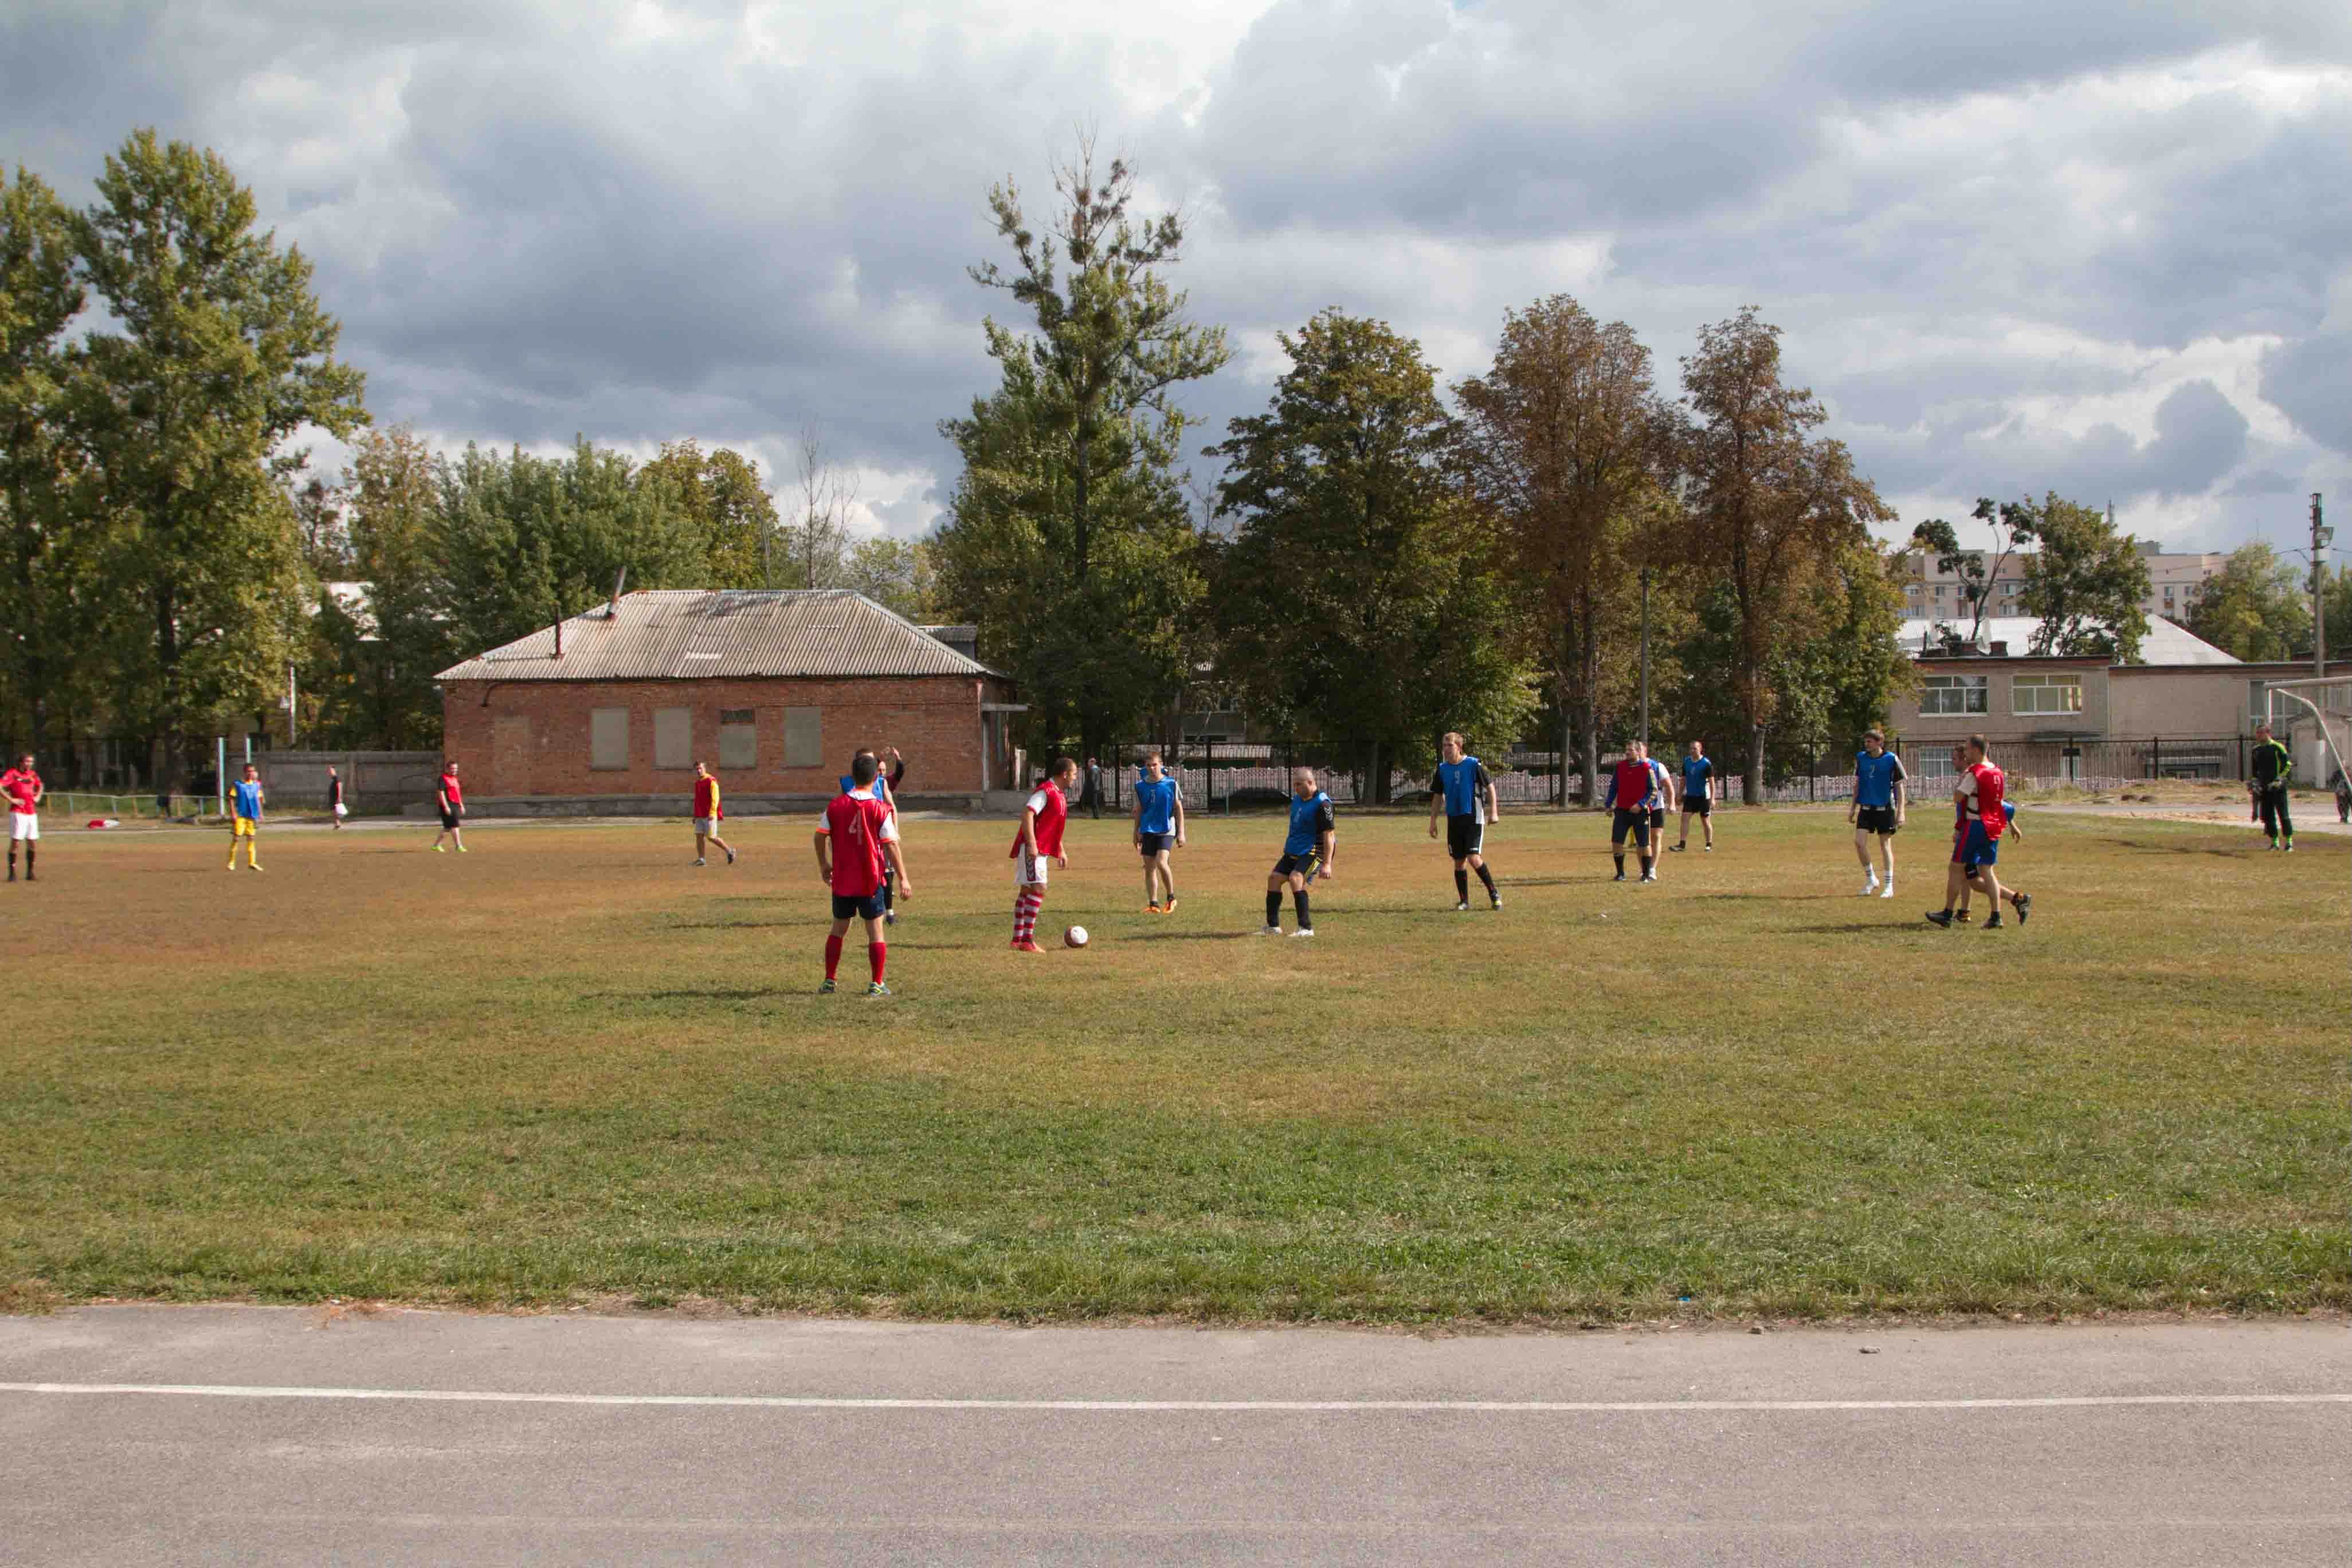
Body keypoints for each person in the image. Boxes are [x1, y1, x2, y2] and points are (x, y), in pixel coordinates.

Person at [814, 750, 911, 996]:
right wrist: (903, 878)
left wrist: (824, 865)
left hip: (843, 880)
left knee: (838, 929)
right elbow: (890, 844)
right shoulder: (879, 809)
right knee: (875, 931)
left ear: (852, 777)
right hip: (870, 880)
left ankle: (829, 980)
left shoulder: (835, 806)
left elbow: (819, 835)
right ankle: (876, 983)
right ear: (875, 780)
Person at [1927, 734, 2030, 929]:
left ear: (1975, 750)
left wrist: (1960, 786)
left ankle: (1948, 913)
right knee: (1985, 870)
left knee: (1956, 868)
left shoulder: (1975, 772)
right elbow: (2001, 803)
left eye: (1967, 749)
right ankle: (1996, 915)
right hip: (1993, 826)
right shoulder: (1997, 772)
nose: (1965, 753)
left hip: (1975, 824)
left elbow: (1958, 797)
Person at [1426, 732, 1502, 911]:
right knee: (1459, 862)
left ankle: (1494, 894)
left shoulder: (1473, 765)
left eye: (1449, 745)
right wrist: (1433, 821)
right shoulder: (1442, 769)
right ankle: (1464, 901)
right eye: (1444, 746)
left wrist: (1494, 813)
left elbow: (1490, 787)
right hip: (1454, 819)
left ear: (1459, 747)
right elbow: (1437, 796)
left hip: (1473, 817)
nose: (1446, 749)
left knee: (1474, 858)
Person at [1010, 756, 1077, 952]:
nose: (1074, 778)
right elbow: (1028, 813)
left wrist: (1061, 849)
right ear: (1065, 774)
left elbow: (1052, 826)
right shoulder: (1046, 791)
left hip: (1042, 849)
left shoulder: (1059, 794)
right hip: (1034, 850)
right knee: (1039, 890)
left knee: (1026, 891)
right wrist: (1031, 844)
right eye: (1073, 774)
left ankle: (1017, 938)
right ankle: (1027, 940)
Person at [1260, 766, 1336, 937]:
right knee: (1274, 879)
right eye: (1295, 785)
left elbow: (1329, 835)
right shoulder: (1297, 800)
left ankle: (1306, 928)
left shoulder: (1323, 804)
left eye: (1299, 785)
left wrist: (1327, 864)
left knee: (1296, 878)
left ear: (1310, 783)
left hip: (1314, 851)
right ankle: (1273, 927)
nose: (1296, 788)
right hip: (1294, 851)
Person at [1849, 729, 1906, 899]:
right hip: (1866, 808)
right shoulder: (1861, 758)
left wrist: (1901, 812)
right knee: (1859, 843)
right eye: (1865, 742)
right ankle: (1871, 878)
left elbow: (1899, 787)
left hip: (1885, 808)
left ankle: (1889, 886)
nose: (1867, 745)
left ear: (1879, 743)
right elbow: (1857, 785)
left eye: (1870, 742)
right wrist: (1852, 808)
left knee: (1885, 845)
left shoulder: (1891, 759)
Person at [1132, 750, 1185, 913]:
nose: (1152, 768)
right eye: (1148, 766)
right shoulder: (1141, 786)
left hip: (1167, 827)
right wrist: (1136, 832)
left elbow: (1178, 808)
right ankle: (1153, 904)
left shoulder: (1171, 784)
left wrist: (1181, 832)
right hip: (1148, 829)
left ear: (1161, 765)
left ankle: (1171, 898)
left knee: (1162, 863)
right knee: (1149, 867)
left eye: (1155, 765)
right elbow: (1139, 810)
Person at [1602, 742, 1659, 883]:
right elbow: (1614, 787)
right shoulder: (1620, 767)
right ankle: (1620, 874)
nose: (1627, 753)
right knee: (1616, 842)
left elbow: (1653, 791)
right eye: (1626, 750)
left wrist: (1640, 805)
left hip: (1640, 812)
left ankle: (1645, 875)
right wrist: (1608, 804)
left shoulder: (1647, 768)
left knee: (1644, 844)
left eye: (1631, 750)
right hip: (1621, 811)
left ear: (1639, 752)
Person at [2249, 721, 2294, 852]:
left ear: (2268, 733)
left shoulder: (2278, 747)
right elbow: (2255, 770)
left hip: (2278, 787)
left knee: (2283, 815)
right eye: (2257, 733)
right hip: (2264, 788)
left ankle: (2289, 842)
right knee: (2268, 816)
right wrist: (2255, 783)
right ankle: (2275, 842)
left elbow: (2288, 765)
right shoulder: (2256, 750)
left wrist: (2279, 779)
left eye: (2261, 733)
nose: (2258, 735)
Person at [3, 753, 41, 883]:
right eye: (27, 761)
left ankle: (30, 873)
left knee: (32, 842)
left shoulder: (32, 774)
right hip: (18, 812)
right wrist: (11, 799)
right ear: (21, 762)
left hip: (31, 812)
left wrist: (38, 796)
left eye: (31, 762)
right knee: (16, 842)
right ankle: (12, 873)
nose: (30, 764)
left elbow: (40, 785)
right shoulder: (12, 773)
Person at [1672, 740, 1715, 852]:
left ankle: (1708, 844)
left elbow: (1712, 782)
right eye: (1691, 748)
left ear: (1700, 749)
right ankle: (1682, 845)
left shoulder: (1706, 763)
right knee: (1684, 818)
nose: (1692, 751)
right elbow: (1684, 780)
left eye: (1695, 749)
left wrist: (1713, 798)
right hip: (1690, 796)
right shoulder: (1686, 762)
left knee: (1705, 820)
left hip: (1703, 796)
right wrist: (1679, 794)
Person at [692, 761, 736, 867]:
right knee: (699, 836)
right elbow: (697, 800)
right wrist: (695, 815)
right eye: (697, 769)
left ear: (704, 769)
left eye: (700, 768)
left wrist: (712, 812)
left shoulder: (711, 781)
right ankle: (701, 859)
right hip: (699, 815)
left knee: (712, 837)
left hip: (709, 815)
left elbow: (715, 798)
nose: (699, 771)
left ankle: (730, 851)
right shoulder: (698, 783)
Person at [1644, 746, 1677, 883]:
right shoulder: (1631, 767)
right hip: (1639, 807)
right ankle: (1644, 868)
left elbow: (1669, 786)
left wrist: (1672, 804)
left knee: (1656, 837)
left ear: (1644, 751)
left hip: (1656, 805)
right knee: (1644, 840)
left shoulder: (1657, 766)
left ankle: (1652, 869)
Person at [227, 762, 265, 871]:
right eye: (249, 771)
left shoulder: (256, 785)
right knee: (236, 837)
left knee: (251, 837)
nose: (251, 773)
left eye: (252, 771)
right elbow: (231, 798)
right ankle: (231, 862)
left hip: (252, 815)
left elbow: (258, 799)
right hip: (241, 815)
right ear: (244, 772)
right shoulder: (238, 784)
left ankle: (252, 863)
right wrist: (233, 813)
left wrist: (260, 813)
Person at [430, 759, 467, 853]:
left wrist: (461, 805)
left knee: (448, 827)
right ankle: (458, 846)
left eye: (456, 769)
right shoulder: (443, 779)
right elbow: (441, 793)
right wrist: (446, 806)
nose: (455, 770)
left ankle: (436, 845)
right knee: (455, 825)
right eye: (452, 769)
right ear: (447, 769)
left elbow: (457, 793)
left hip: (455, 804)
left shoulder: (455, 779)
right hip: (448, 804)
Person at [1083, 755, 1104, 820]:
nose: (1088, 764)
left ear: (1092, 763)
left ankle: (1096, 816)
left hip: (1093, 788)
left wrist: (1089, 787)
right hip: (1098, 788)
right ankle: (1095, 815)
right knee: (1095, 802)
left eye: (1089, 762)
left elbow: (1092, 780)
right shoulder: (1098, 769)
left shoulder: (1092, 770)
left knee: (1094, 803)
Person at [327, 765, 347, 830]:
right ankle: (337, 824)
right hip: (333, 798)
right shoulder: (334, 779)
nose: (330, 772)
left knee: (336, 812)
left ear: (335, 771)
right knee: (334, 812)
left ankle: (338, 824)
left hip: (336, 798)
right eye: (330, 771)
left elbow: (340, 786)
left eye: (331, 770)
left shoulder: (336, 778)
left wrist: (339, 798)